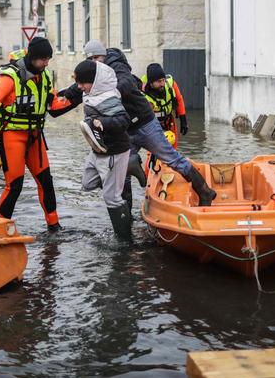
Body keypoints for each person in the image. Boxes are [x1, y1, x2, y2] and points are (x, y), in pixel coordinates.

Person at [65, 40, 216, 210]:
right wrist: (66, 95)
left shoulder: (117, 65)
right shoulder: (93, 73)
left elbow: (126, 83)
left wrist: (111, 94)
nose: (95, 61)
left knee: (172, 159)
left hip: (145, 123)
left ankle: (205, 192)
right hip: (126, 130)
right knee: (122, 173)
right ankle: (126, 212)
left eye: (97, 57)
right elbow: (79, 86)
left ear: (104, 55)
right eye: (90, 59)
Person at [0, 37, 73, 231]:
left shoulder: (45, 76)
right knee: (15, 186)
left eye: (48, 59)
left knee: (46, 181)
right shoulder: (9, 77)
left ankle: (54, 226)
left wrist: (76, 95)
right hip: (11, 135)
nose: (46, 63)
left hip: (34, 136)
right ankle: (1, 228)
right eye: (43, 59)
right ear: (32, 57)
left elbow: (52, 105)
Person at [74, 59, 134, 240]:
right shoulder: (92, 91)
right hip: (98, 151)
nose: (79, 87)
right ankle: (127, 168)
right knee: (87, 184)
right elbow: (76, 89)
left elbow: (124, 120)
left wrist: (103, 122)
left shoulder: (108, 97)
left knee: (112, 198)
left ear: (93, 81)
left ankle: (124, 241)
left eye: (82, 83)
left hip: (114, 151)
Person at [141, 63, 188, 146]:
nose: (162, 84)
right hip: (152, 123)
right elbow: (146, 120)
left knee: (172, 144)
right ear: (151, 83)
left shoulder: (170, 84)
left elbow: (179, 100)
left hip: (168, 120)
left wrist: (183, 120)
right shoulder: (144, 96)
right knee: (155, 149)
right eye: (159, 81)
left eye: (163, 80)